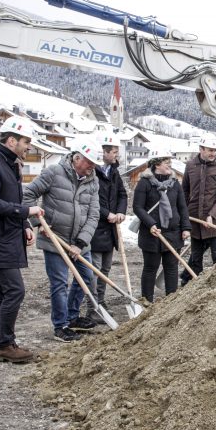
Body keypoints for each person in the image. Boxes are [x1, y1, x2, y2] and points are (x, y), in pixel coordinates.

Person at [0, 116, 42, 364]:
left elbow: (12, 201)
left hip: (7, 237)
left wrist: (24, 225)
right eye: (26, 141)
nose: (28, 147)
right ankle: (5, 344)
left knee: (0, 292)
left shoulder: (10, 165)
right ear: (11, 140)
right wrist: (26, 213)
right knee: (15, 290)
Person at [23, 138, 103, 342]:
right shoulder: (54, 173)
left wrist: (81, 243)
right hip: (54, 240)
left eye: (94, 164)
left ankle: (72, 315)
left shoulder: (93, 180)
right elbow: (28, 195)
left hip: (79, 242)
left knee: (86, 277)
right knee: (59, 284)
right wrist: (37, 222)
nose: (92, 167)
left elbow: (94, 215)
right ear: (77, 158)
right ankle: (61, 325)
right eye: (89, 162)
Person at [133, 148, 190, 303]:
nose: (170, 165)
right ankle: (146, 301)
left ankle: (171, 301)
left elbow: (182, 207)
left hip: (173, 233)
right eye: (167, 162)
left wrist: (185, 227)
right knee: (150, 268)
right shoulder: (144, 183)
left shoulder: (174, 184)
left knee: (171, 268)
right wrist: (150, 224)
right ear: (157, 164)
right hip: (152, 233)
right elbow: (138, 207)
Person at [181, 133, 216, 282]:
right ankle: (192, 286)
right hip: (195, 219)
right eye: (210, 150)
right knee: (196, 257)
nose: (213, 153)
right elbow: (185, 191)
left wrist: (212, 215)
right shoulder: (190, 166)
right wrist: (185, 213)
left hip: (214, 221)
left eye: (215, 150)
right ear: (201, 149)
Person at [89, 133, 127, 310]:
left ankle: (101, 302)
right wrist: (107, 214)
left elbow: (122, 194)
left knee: (105, 269)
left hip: (110, 229)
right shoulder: (93, 172)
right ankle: (92, 306)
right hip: (95, 228)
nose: (116, 155)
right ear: (103, 153)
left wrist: (120, 211)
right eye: (113, 152)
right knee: (94, 270)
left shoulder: (114, 172)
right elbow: (91, 199)